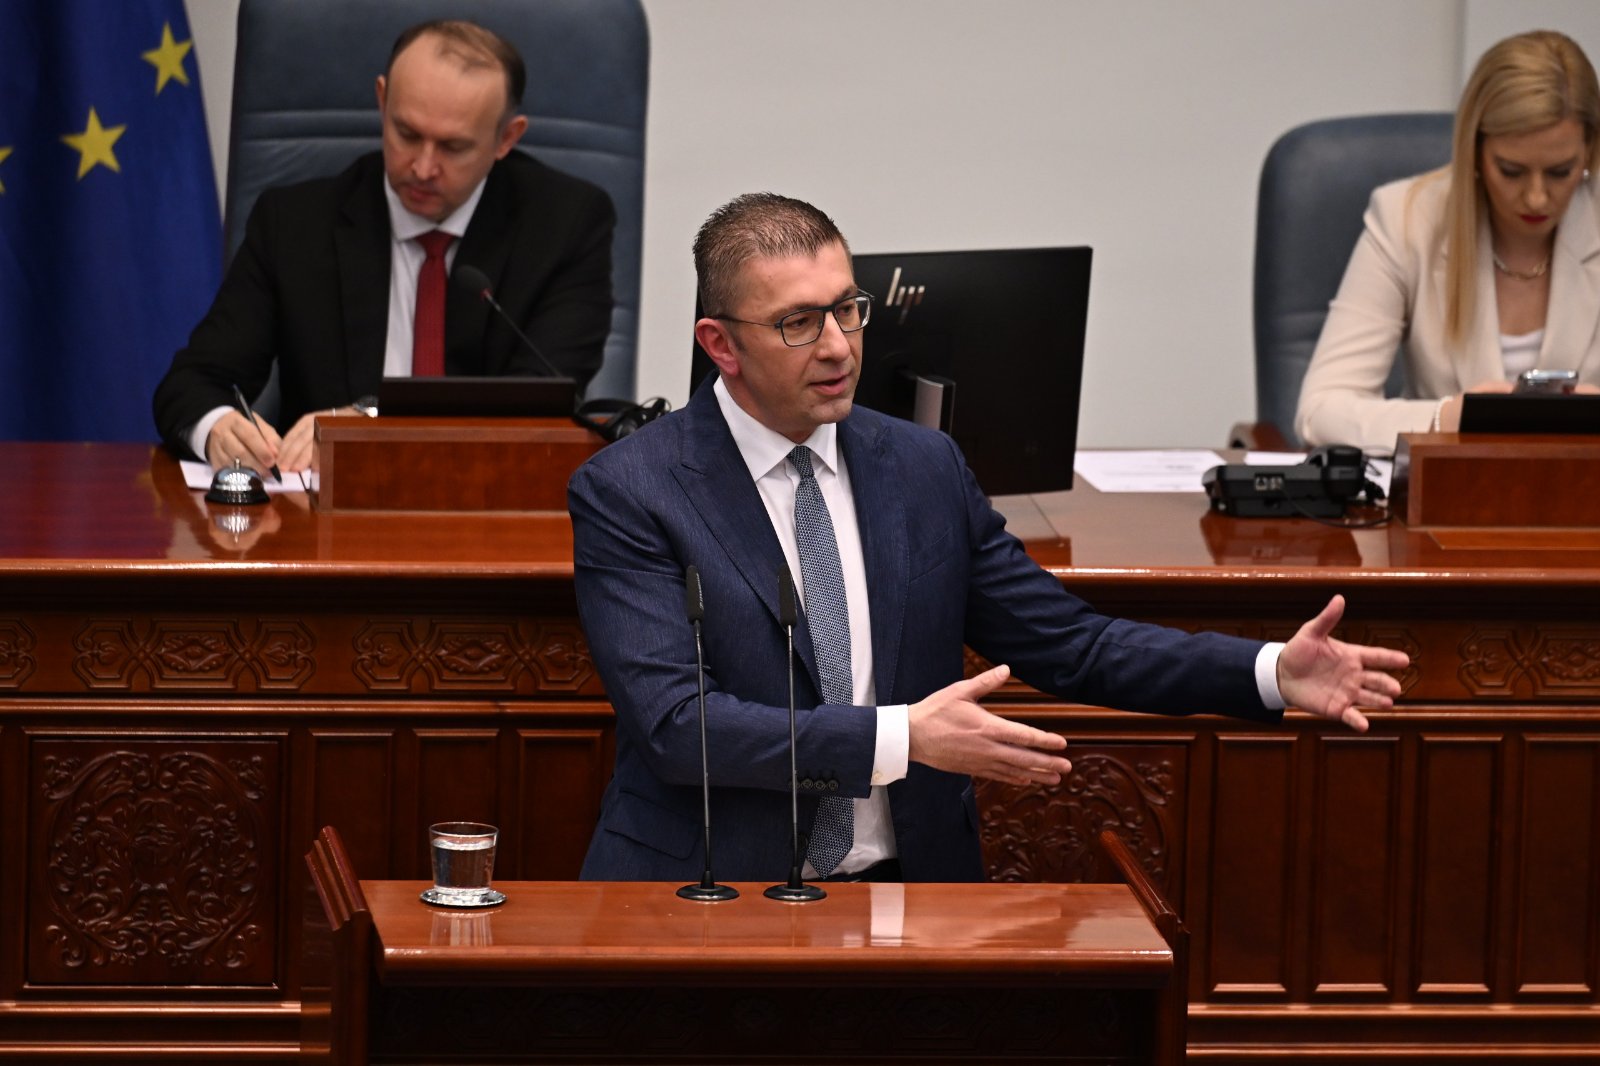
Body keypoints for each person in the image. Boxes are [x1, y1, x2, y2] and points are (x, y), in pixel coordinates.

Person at [569, 192, 1411, 884]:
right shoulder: (632, 490)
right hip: (710, 891)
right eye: (798, 323)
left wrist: (1268, 671)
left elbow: (1071, 643)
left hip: (910, 890)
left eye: (848, 310)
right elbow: (679, 724)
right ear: (719, 344)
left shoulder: (921, 465)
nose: (837, 348)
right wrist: (902, 738)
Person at [152, 19, 615, 473]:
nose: (423, 167)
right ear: (381, 100)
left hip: (487, 494)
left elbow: (543, 400)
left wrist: (375, 420)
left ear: (506, 138)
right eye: (407, 134)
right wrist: (217, 428)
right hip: (327, 506)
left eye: (453, 147)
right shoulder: (294, 224)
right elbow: (192, 382)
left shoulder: (567, 225)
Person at [1296, 29, 1600, 452]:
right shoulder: (1404, 218)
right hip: (1448, 486)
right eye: (1511, 171)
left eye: (1560, 171)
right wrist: (1448, 418)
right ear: (1475, 150)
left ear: (1590, 151)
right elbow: (1320, 410)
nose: (1536, 197)